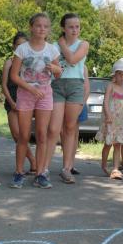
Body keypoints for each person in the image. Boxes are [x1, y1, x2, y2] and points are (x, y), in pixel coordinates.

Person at [9, 12, 63, 189]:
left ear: (49, 30)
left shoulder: (52, 49)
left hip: (45, 94)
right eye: (38, 25)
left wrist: (55, 67)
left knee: (42, 135)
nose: (42, 29)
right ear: (31, 27)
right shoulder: (22, 49)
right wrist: (31, 88)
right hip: (26, 94)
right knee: (23, 136)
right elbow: (14, 76)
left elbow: (59, 71)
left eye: (46, 26)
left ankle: (40, 173)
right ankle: (19, 172)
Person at [47, 13, 89, 184]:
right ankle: (43, 168)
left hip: (75, 86)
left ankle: (67, 168)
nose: (74, 30)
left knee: (70, 128)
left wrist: (63, 44)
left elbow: (72, 60)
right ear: (63, 28)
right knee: (54, 129)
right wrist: (61, 44)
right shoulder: (52, 46)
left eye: (77, 26)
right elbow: (52, 69)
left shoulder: (83, 44)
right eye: (70, 27)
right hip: (57, 85)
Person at [2, 32, 36, 173]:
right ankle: (33, 161)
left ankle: (34, 165)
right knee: (17, 135)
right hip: (12, 102)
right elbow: (4, 85)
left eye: (23, 45)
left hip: (27, 102)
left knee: (25, 135)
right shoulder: (9, 63)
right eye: (18, 45)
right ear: (13, 47)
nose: (20, 47)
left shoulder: (31, 63)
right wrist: (11, 102)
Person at [96, 60, 123, 179]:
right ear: (115, 75)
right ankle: (103, 165)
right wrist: (108, 115)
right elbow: (106, 102)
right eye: (119, 74)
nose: (122, 77)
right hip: (110, 120)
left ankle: (115, 169)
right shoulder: (111, 86)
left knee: (117, 145)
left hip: (120, 122)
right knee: (108, 144)